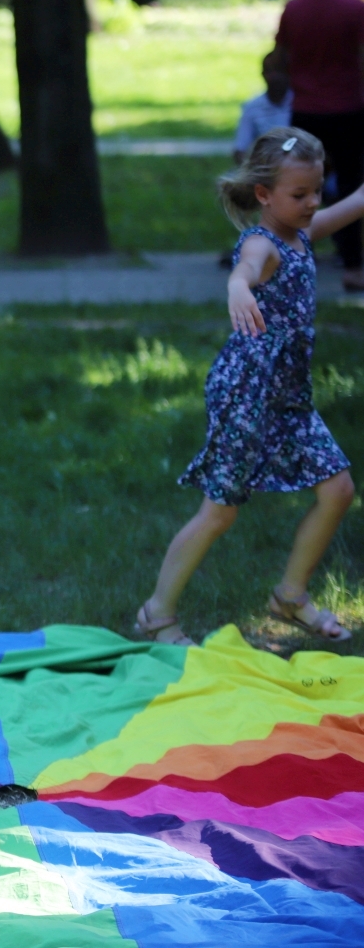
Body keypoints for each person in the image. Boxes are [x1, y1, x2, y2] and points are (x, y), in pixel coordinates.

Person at [135, 128, 364, 647]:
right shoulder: (263, 243)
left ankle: (290, 595)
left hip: (288, 397)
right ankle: (157, 613)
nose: (312, 204)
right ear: (264, 195)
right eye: (299, 195)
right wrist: (238, 287)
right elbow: (245, 269)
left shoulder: (301, 232)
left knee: (338, 490)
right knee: (220, 511)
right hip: (246, 395)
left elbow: (349, 207)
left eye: (316, 191)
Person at [274, 0, 364, 290]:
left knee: (295, 186)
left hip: (307, 111)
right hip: (349, 111)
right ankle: (353, 265)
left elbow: (281, 59)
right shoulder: (356, 10)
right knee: (351, 186)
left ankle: (288, 258)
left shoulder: (294, 9)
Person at [233, 50, 292, 164]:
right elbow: (240, 150)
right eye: (271, 71)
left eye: (280, 71)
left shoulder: (302, 106)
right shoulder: (252, 107)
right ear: (263, 74)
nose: (276, 77)